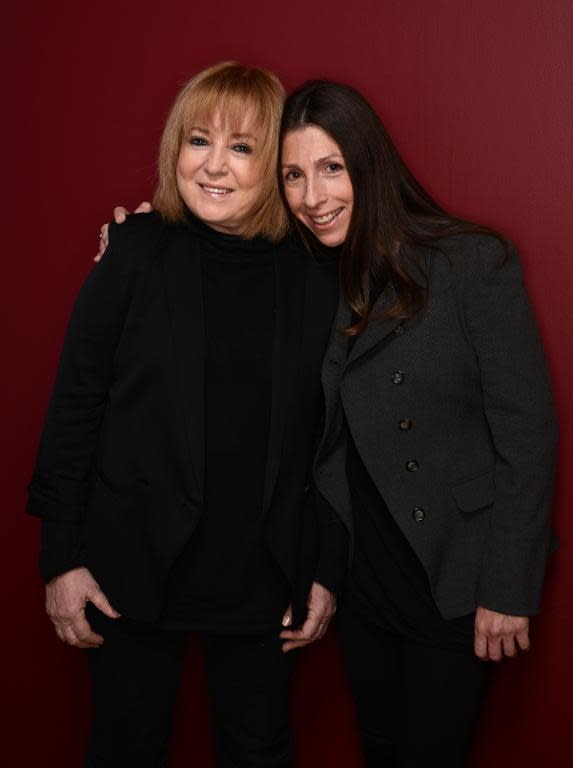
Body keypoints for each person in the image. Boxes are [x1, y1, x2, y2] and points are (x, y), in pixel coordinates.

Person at [27, 62, 346, 768]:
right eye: (198, 140)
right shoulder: (134, 252)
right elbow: (75, 405)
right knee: (126, 748)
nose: (214, 166)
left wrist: (325, 566)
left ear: (273, 167)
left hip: (264, 571)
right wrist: (61, 559)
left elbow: (328, 439)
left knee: (257, 748)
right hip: (129, 567)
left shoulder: (313, 276)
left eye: (241, 148)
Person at [277, 80, 558, 766]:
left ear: (368, 164)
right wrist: (139, 239)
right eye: (292, 174)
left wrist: (507, 587)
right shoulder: (314, 280)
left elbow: (526, 431)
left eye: (331, 168)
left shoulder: (471, 262)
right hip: (365, 580)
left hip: (454, 576)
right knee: (378, 748)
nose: (312, 197)